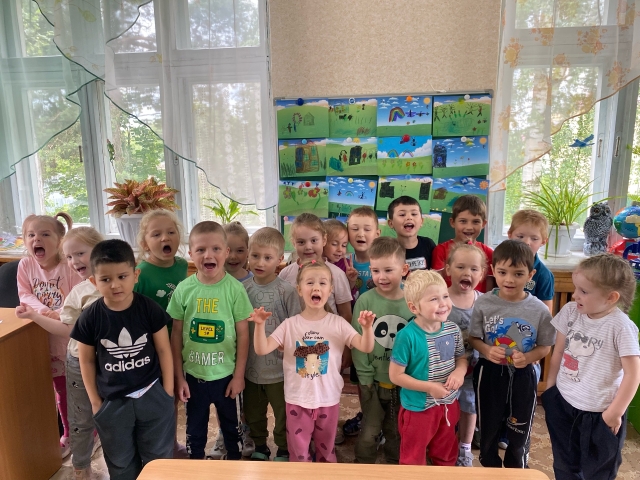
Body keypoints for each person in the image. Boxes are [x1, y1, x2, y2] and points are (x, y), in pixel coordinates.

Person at [249, 260, 375, 462]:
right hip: (297, 400)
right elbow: (261, 348)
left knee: (326, 452)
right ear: (299, 289)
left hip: (328, 400)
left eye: (322, 283)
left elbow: (365, 347)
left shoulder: (338, 323)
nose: (316, 287)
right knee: (299, 455)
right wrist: (259, 325)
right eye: (310, 283)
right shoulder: (289, 325)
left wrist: (367, 329)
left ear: (330, 290)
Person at [71, 239, 175, 480]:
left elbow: (163, 350)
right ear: (94, 281)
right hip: (112, 402)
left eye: (122, 276)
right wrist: (95, 402)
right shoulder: (90, 317)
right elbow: (86, 361)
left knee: (158, 459)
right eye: (106, 279)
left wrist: (167, 391)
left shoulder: (149, 309)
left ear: (135, 275)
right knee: (120, 463)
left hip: (152, 395)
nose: (115, 285)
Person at [16, 227, 103, 479]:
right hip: (78, 361)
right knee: (80, 419)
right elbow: (68, 329)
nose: (74, 261)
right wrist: (34, 315)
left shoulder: (120, 284)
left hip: (112, 363)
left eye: (80, 253)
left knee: (112, 415)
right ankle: (82, 467)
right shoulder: (78, 292)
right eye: (69, 256)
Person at [543, 253, 640, 480]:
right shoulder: (570, 311)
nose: (575, 295)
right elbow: (558, 351)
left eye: (584, 291)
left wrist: (614, 413)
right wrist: (550, 389)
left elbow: (633, 374)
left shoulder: (621, 327)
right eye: (576, 288)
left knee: (599, 472)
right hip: (563, 403)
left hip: (600, 414)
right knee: (564, 465)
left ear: (611, 297)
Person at [168, 221, 253, 460]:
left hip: (226, 377)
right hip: (193, 377)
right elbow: (176, 334)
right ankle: (197, 467)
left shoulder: (235, 290)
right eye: (201, 249)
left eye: (216, 248)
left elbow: (243, 334)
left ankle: (234, 465)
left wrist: (238, 376)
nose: (208, 255)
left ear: (226, 252)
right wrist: (179, 377)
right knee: (195, 432)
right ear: (190, 253)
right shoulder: (183, 289)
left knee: (232, 430)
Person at [469, 240, 555, 468]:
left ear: (531, 275)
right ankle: (489, 467)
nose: (509, 279)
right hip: (489, 372)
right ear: (492, 270)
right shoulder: (483, 303)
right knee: (488, 426)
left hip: (524, 374)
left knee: (520, 428)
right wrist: (487, 350)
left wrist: (528, 358)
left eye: (518, 274)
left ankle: (517, 469)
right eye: (502, 272)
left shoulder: (540, 309)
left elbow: (545, 346)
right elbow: (473, 338)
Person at [17, 212, 81, 457]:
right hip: (41, 338)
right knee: (60, 390)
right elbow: (25, 294)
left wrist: (59, 313)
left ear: (59, 240)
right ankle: (68, 433)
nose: (37, 239)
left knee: (76, 389)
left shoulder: (68, 266)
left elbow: (78, 296)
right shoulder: (25, 265)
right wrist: (43, 312)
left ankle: (86, 431)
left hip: (67, 339)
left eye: (45, 234)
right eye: (31, 235)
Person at [389, 269, 467, 466]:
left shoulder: (453, 329)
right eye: (434, 299)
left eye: (445, 296)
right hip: (419, 409)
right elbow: (396, 376)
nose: (443, 303)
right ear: (414, 307)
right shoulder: (406, 336)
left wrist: (460, 371)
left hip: (449, 404)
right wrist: (430, 387)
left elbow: (461, 358)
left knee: (446, 451)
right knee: (413, 457)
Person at [243, 227, 301, 461]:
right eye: (255, 256)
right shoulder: (242, 290)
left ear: (279, 260)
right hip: (251, 368)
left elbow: (297, 326)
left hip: (280, 370)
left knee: (283, 413)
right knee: (253, 412)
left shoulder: (287, 291)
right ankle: (260, 446)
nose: (260, 262)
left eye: (267, 257)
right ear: (248, 255)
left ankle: (284, 448)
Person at [134, 209, 189, 458]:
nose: (165, 238)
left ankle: (171, 443)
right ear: (145, 243)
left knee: (174, 394)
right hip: (152, 348)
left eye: (170, 232)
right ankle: (154, 447)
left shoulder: (182, 265)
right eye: (156, 234)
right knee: (156, 397)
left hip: (179, 343)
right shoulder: (141, 273)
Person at [352, 237, 412, 464]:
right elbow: (357, 342)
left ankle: (395, 466)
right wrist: (365, 377)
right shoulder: (365, 301)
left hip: (404, 382)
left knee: (396, 430)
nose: (381, 277)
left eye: (388, 270)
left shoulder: (413, 301)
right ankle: (362, 465)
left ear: (404, 269)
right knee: (369, 430)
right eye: (375, 271)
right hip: (373, 381)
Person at [445, 243, 486, 467]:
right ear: (448, 269)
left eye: (473, 268)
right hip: (444, 371)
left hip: (474, 370)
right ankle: (444, 445)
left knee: (470, 408)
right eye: (460, 267)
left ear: (482, 273)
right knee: (445, 408)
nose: (467, 273)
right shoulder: (440, 299)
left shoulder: (484, 302)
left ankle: (465, 449)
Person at [279, 213, 352, 322]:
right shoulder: (285, 274)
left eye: (314, 240)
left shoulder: (337, 274)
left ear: (324, 240)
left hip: (328, 332)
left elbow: (346, 314)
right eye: (301, 242)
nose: (308, 247)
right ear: (294, 243)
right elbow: (281, 310)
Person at [432, 195, 493, 292]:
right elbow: (436, 283)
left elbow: (489, 289)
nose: (469, 227)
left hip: (478, 301)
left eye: (475, 222)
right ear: (452, 222)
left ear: (483, 224)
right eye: (463, 221)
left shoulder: (488, 253)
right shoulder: (441, 250)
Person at [507, 210, 554, 311]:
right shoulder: (499, 264)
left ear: (543, 241)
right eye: (520, 236)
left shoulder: (544, 274)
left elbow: (546, 312)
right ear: (510, 235)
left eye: (534, 239)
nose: (526, 242)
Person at [386, 196, 436, 272]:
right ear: (391, 223)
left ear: (421, 221)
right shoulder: (387, 249)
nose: (409, 217)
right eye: (402, 214)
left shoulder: (428, 244)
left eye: (414, 214)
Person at [323, 219, 358, 301]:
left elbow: (348, 296)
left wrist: (351, 281)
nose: (340, 249)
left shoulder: (346, 266)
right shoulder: (315, 264)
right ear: (323, 242)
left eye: (344, 245)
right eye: (334, 244)